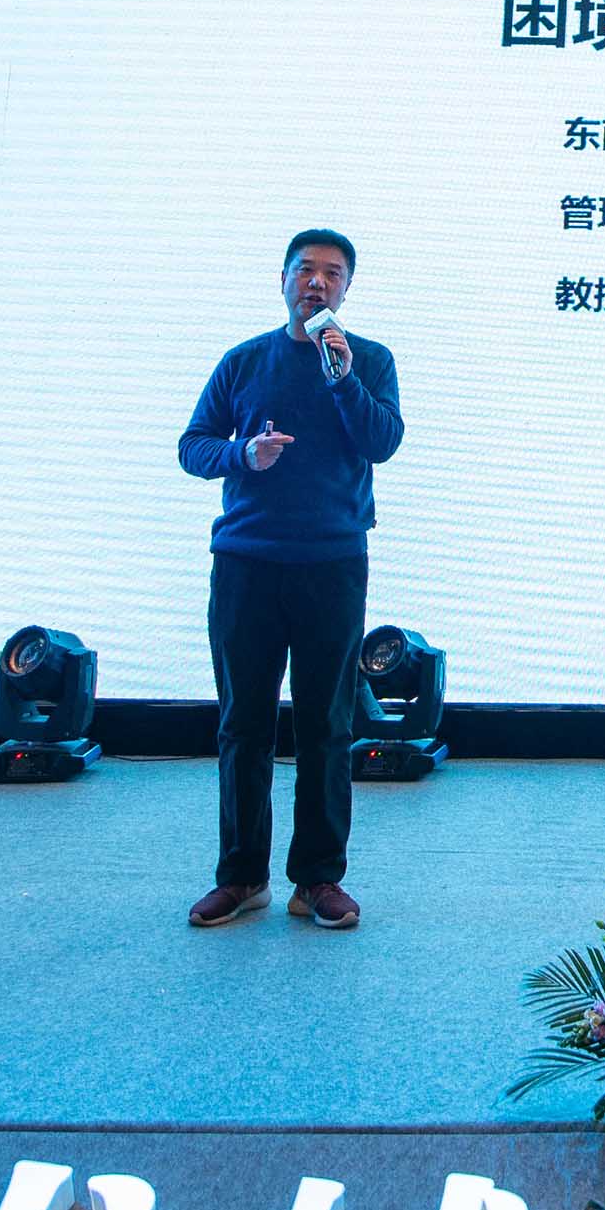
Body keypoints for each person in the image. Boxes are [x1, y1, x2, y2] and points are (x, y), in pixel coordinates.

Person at [175, 227, 405, 930]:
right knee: (243, 724)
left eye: (332, 274)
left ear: (347, 289)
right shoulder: (244, 361)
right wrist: (244, 454)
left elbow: (382, 442)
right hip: (246, 563)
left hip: (332, 565)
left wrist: (343, 381)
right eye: (305, 270)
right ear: (281, 280)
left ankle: (317, 879)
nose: (317, 282)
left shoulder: (368, 360)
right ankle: (242, 877)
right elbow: (193, 446)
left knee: (326, 726)